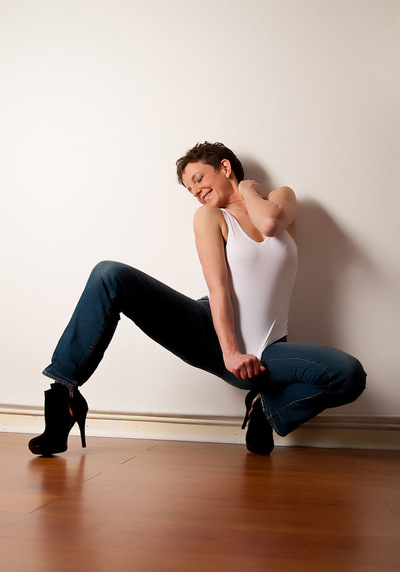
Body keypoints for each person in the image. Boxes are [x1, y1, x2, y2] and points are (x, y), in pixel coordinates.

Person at [29, 142, 366, 456]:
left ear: (225, 167)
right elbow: (218, 289)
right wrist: (230, 352)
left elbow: (269, 223)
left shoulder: (280, 199)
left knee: (347, 374)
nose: (197, 192)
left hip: (269, 348)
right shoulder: (210, 216)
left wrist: (247, 190)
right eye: (190, 190)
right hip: (210, 329)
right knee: (109, 275)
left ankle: (265, 409)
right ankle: (63, 397)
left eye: (199, 179)